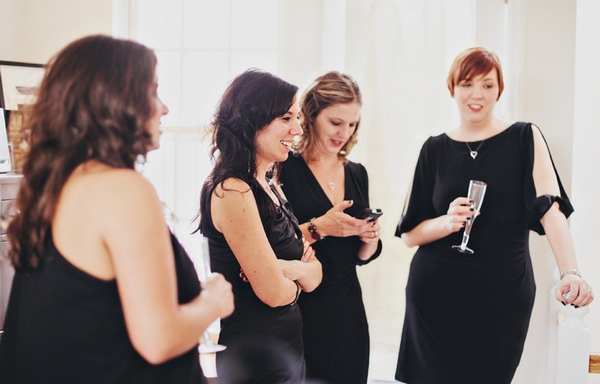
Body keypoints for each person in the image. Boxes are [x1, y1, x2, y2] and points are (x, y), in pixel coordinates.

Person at [0, 35, 234, 384]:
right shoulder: (121, 189)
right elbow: (158, 339)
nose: (164, 107)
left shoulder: (56, 183)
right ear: (115, 102)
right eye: (153, 91)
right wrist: (214, 302)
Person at [394, 47, 594, 384]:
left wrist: (570, 272)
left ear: (500, 90)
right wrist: (448, 222)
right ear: (452, 88)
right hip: (436, 293)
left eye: (488, 85)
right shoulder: (433, 148)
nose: (477, 94)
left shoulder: (524, 137)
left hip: (502, 294)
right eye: (467, 84)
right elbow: (410, 234)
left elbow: (550, 210)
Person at [197, 68, 323, 383]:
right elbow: (273, 293)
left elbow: (316, 273)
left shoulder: (269, 183)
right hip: (255, 360)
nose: (297, 129)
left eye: (297, 118)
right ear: (252, 120)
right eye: (286, 118)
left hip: (287, 351)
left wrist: (286, 268)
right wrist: (297, 272)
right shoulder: (233, 190)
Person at [278, 71, 383, 384]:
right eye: (336, 122)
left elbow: (363, 256)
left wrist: (369, 237)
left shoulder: (358, 173)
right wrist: (319, 227)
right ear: (311, 116)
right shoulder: (285, 168)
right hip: (300, 311)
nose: (344, 133)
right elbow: (271, 244)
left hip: (347, 312)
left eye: (352, 124)